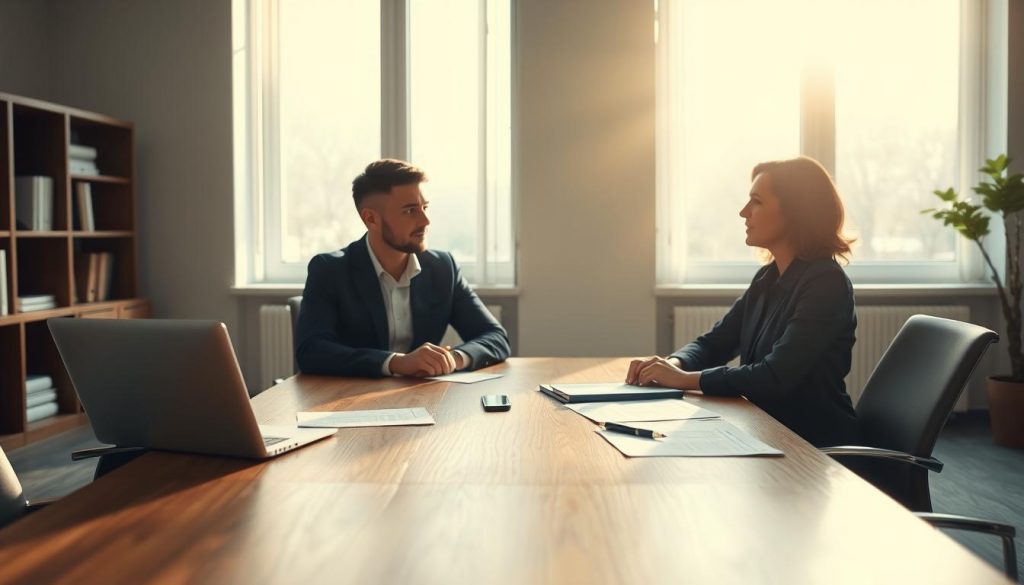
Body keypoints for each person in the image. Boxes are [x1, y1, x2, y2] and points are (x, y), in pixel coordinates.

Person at [626, 156, 858, 447]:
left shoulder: (826, 283)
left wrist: (682, 379)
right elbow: (714, 343)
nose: (743, 212)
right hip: (766, 431)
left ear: (796, 212)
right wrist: (671, 364)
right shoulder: (768, 278)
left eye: (756, 202)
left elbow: (774, 376)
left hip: (812, 446)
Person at [295, 159, 510, 378]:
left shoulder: (443, 268)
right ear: (371, 219)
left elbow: (495, 337)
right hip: (346, 401)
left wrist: (453, 358)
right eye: (410, 211)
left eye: (425, 208)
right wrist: (396, 363)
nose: (425, 221)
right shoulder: (330, 270)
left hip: (424, 399)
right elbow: (311, 351)